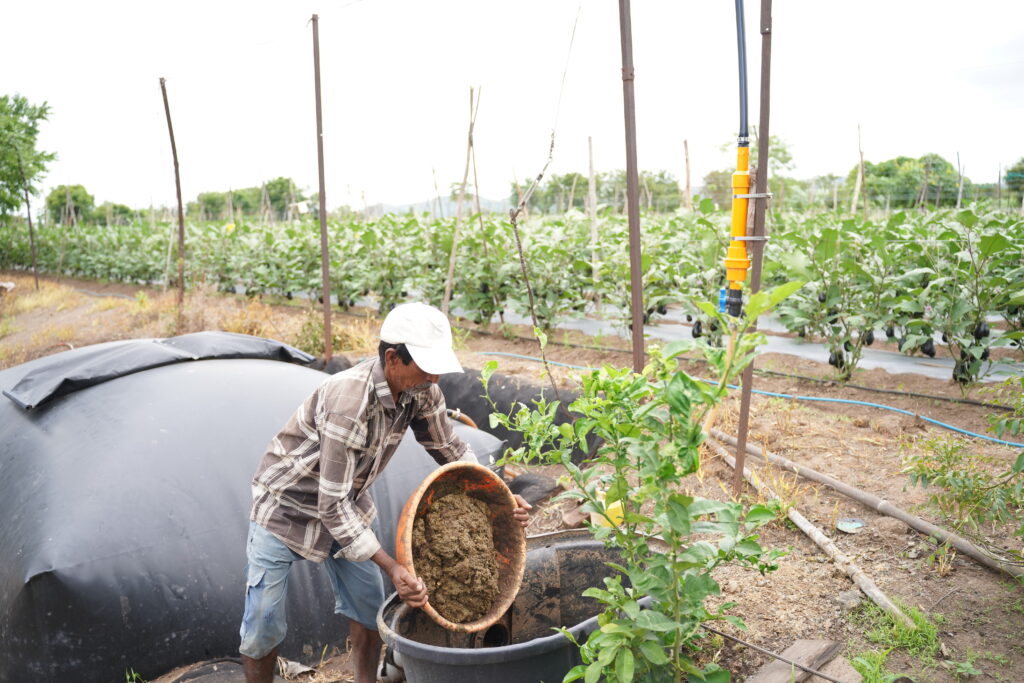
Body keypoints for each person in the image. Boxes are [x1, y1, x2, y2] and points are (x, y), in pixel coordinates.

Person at [239, 302, 531, 683]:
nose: (435, 378)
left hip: (348, 499)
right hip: (285, 507)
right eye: (426, 367)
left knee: (369, 611)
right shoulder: (350, 402)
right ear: (393, 358)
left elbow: (450, 450)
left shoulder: (421, 389)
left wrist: (501, 494)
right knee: (263, 624)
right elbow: (331, 505)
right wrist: (393, 567)